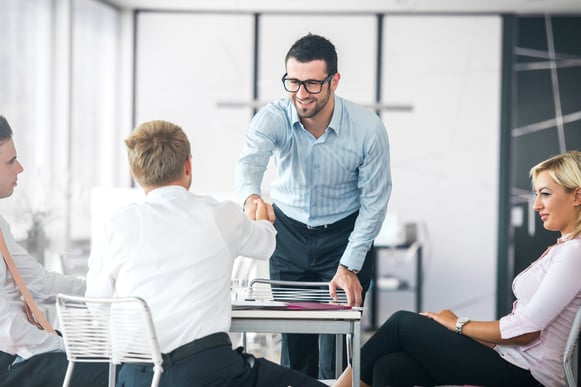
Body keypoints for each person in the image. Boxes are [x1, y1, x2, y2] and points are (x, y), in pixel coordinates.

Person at [85, 120, 326, 387]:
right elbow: (266, 245)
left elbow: (97, 307)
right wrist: (259, 216)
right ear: (188, 165)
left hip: (136, 376)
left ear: (134, 172)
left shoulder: (116, 226)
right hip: (209, 372)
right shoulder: (219, 214)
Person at [335, 150, 581, 387]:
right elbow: (520, 327)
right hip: (510, 358)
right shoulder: (564, 248)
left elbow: (526, 330)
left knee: (400, 323)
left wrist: (457, 324)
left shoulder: (573, 253)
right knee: (390, 367)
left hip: (527, 374)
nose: (536, 205)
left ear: (577, 196)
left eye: (545, 194)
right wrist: (454, 329)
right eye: (537, 194)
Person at [235, 33, 392, 379]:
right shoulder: (274, 117)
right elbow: (250, 162)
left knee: (335, 352)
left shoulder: (367, 130)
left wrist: (349, 265)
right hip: (288, 235)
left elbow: (374, 203)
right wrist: (251, 196)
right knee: (295, 349)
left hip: (343, 239)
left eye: (311, 84)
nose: (301, 94)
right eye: (293, 82)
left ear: (334, 81)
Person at [0, 115, 108, 387]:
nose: (20, 168)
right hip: (10, 361)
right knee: (119, 374)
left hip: (22, 353)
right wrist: (65, 346)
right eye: (10, 162)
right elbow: (10, 332)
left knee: (120, 366)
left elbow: (40, 284)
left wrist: (108, 290)